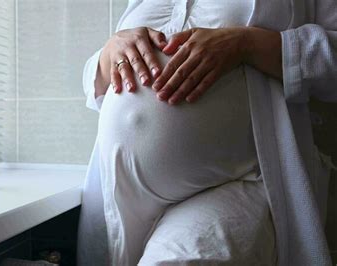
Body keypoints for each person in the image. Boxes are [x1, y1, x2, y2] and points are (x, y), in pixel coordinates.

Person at [78, 0, 337, 265]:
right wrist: (109, 53)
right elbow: (95, 83)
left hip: (237, 180)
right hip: (124, 194)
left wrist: (247, 44)